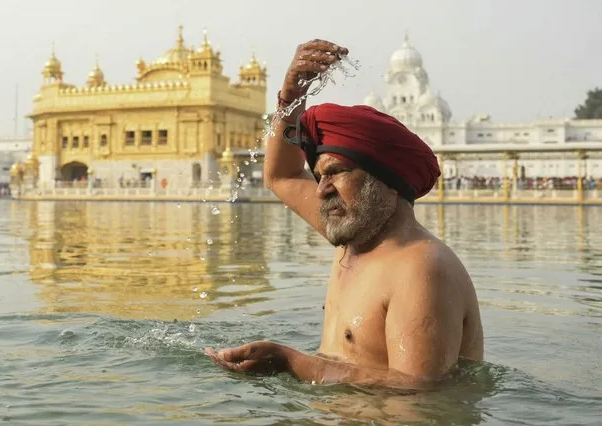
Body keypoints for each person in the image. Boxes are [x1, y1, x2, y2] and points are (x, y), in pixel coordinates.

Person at [205, 39, 484, 391]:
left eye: (336, 172)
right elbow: (283, 176)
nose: (321, 189)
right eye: (320, 176)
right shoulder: (356, 234)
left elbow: (417, 392)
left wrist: (291, 362)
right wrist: (291, 100)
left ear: (386, 181)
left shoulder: (421, 268)